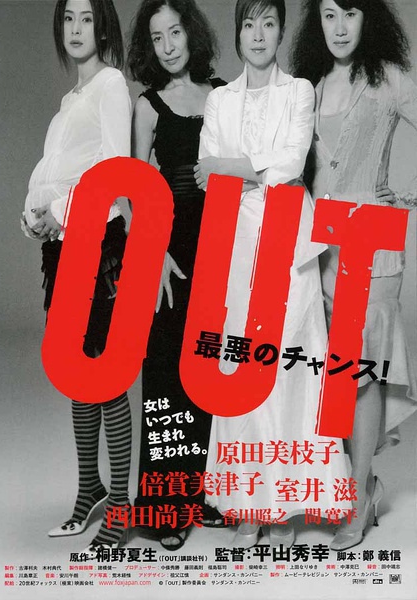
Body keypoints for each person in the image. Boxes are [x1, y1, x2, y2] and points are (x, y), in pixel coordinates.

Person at [195, 0, 351, 550]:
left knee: (289, 362)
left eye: (268, 23)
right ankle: (248, 499)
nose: (258, 35)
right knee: (241, 363)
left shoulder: (299, 91)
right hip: (236, 241)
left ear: (281, 31)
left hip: (288, 238)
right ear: (237, 33)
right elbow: (205, 173)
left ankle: (284, 500)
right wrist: (237, 169)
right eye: (248, 24)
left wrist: (231, 167)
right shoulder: (219, 99)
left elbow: (288, 164)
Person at [290, 0, 417, 550]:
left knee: (361, 367)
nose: (339, 28)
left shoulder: (388, 80)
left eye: (350, 13)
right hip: (321, 247)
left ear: (370, 19)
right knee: (335, 374)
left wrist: (407, 195)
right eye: (328, 15)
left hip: (372, 244)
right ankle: (355, 482)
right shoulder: (310, 86)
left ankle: (359, 495)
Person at [21, 0, 132, 558]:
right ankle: (91, 489)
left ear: (103, 27)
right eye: (68, 18)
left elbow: (115, 171)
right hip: (62, 248)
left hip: (98, 245)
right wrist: (34, 216)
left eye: (86, 18)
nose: (75, 28)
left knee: (105, 375)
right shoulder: (70, 100)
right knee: (76, 372)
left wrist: (61, 212)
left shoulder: (111, 86)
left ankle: (122, 506)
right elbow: (50, 175)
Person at [127, 0, 225, 550]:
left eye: (175, 32)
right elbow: (134, 190)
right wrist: (156, 251)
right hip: (169, 252)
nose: (167, 46)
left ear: (192, 33)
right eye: (156, 37)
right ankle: (166, 506)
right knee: (166, 373)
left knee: (210, 369)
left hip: (220, 246)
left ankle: (204, 492)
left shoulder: (224, 94)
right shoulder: (147, 107)